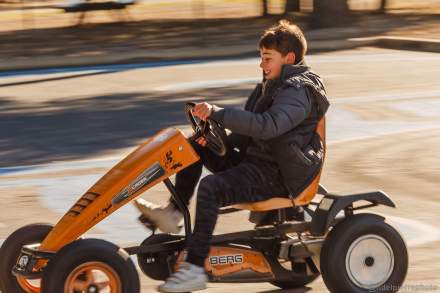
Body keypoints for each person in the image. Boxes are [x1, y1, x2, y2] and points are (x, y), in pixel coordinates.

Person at [134, 19, 330, 293]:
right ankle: (173, 213)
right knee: (193, 146)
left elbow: (268, 125)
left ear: (289, 58)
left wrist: (219, 113)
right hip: (260, 162)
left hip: (279, 176)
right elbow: (250, 131)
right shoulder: (272, 84)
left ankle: (194, 267)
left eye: (267, 58)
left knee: (211, 188)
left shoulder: (299, 91)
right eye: (261, 58)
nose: (262, 65)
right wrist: (214, 135)